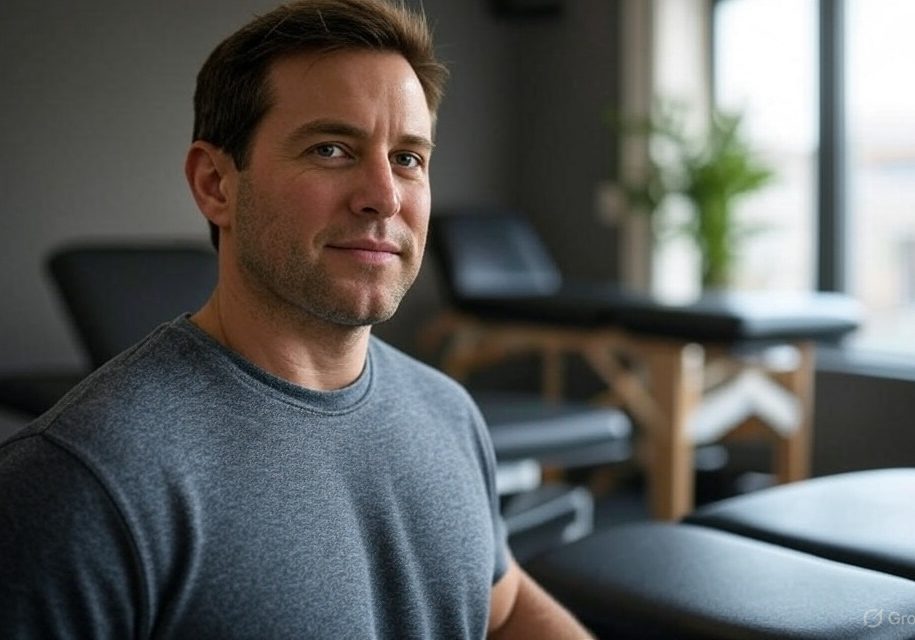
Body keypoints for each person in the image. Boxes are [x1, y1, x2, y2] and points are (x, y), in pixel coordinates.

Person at [0, 1, 593, 637]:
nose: (384, 196)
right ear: (216, 185)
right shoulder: (79, 481)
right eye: (332, 148)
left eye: (408, 158)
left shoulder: (448, 412)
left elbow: (503, 611)